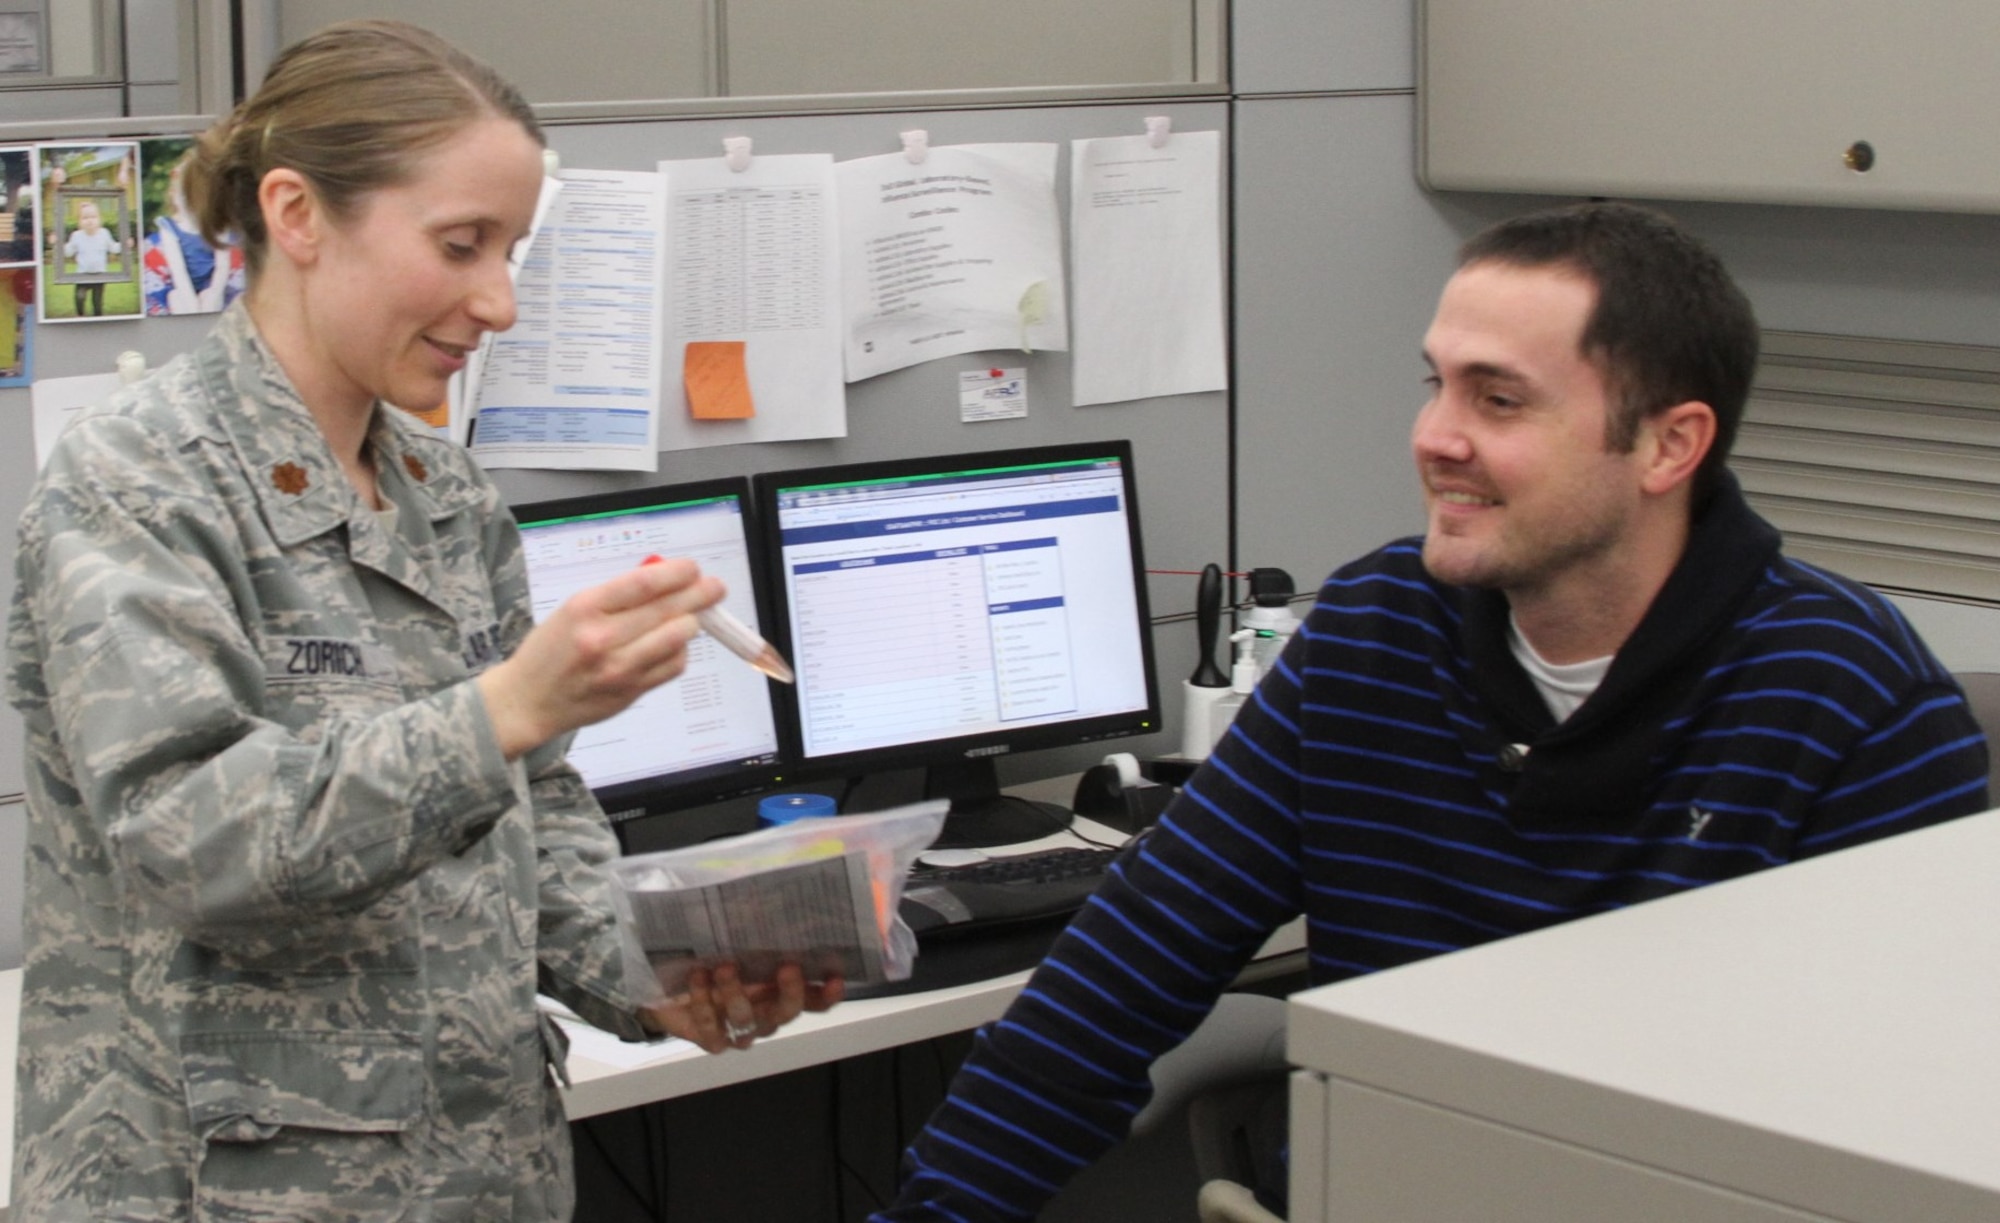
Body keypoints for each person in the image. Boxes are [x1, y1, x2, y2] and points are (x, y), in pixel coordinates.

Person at [872, 202, 1991, 1221]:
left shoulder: (1844, 696)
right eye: (1436, 384)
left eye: (1496, 399)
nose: (1434, 437)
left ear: (1668, 444)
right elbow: (1112, 987)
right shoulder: (1376, 631)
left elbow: (1919, 1131)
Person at [7, 20, 838, 1222]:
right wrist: (507, 706)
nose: (496, 302)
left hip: (475, 1174)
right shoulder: (137, 480)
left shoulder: (441, 493)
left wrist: (655, 979)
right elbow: (191, 839)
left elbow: (534, 814)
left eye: (511, 251)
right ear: (296, 214)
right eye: (460, 245)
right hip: (224, 1186)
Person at [143, 149, 246, 315]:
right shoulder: (168, 228)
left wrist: (213, 294)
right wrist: (193, 308)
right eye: (183, 195)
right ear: (174, 196)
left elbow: (222, 267)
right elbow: (179, 272)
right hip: (183, 287)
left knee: (212, 298)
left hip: (210, 284)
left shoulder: (218, 226)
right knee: (176, 298)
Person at [62, 198, 120, 315]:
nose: (89, 221)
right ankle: (80, 316)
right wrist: (59, 245)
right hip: (82, 275)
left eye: (93, 217)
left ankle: (98, 320)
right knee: (80, 297)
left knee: (97, 302)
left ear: (99, 219)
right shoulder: (77, 236)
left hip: (100, 275)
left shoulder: (104, 233)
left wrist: (124, 245)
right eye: (85, 218)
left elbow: (113, 247)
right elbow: (68, 252)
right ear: (80, 221)